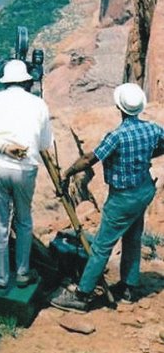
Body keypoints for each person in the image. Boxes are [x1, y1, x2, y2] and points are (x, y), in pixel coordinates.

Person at [51, 83, 164, 312]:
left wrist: (68, 172)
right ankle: (128, 287)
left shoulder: (117, 136)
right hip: (143, 191)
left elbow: (89, 160)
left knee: (102, 246)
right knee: (133, 238)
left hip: (122, 198)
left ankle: (82, 295)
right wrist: (146, 156)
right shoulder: (153, 129)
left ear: (118, 107)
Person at [0, 59, 53, 290]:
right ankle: (24, 272)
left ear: (5, 82)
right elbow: (46, 143)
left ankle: (1, 277)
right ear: (26, 81)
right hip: (26, 170)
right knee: (24, 220)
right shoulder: (38, 104)